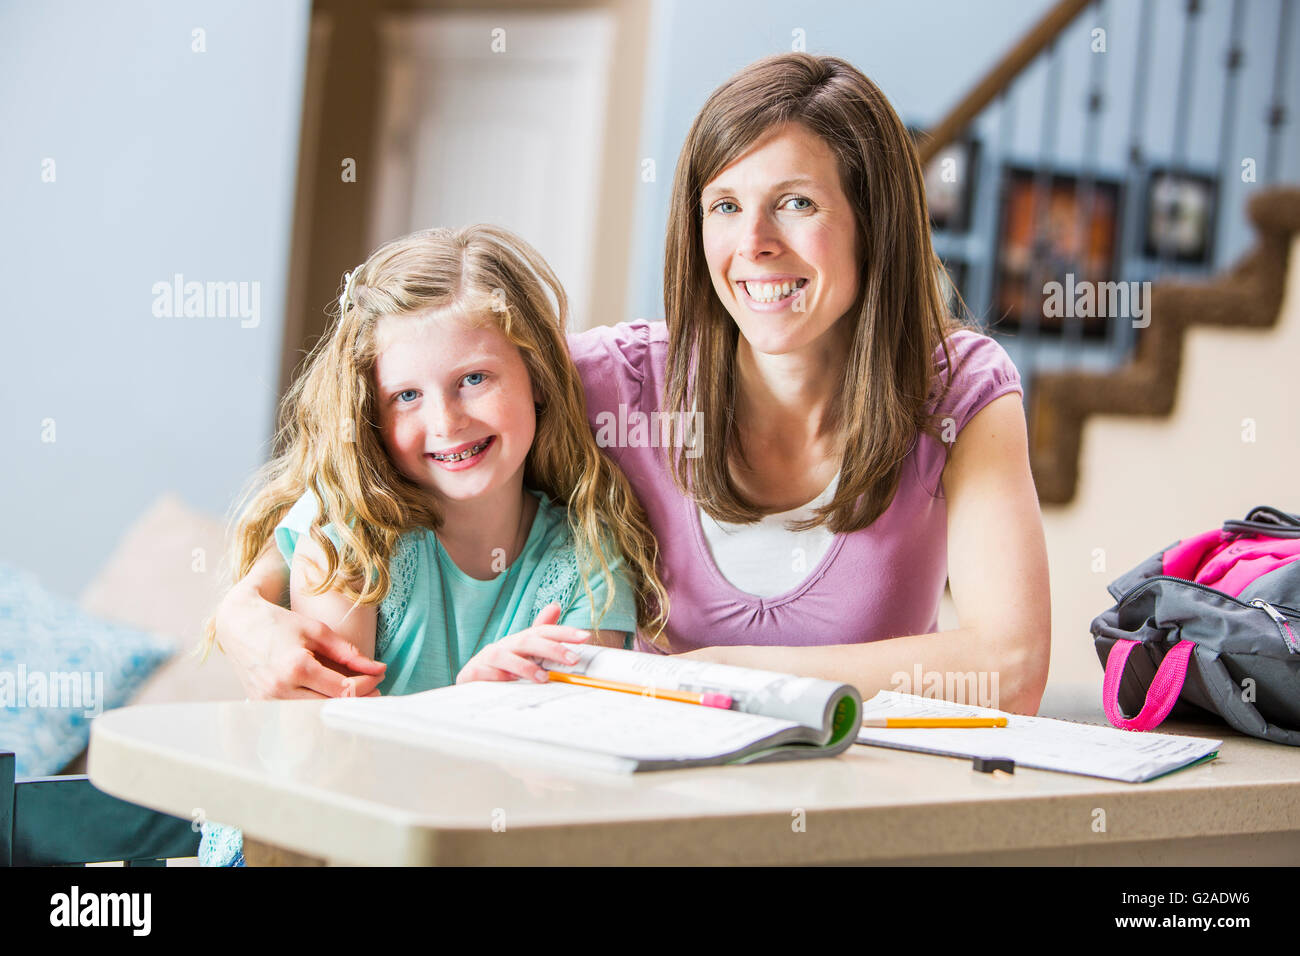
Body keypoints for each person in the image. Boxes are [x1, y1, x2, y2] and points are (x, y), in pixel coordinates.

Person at [211, 52, 1049, 719]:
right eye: (724, 206)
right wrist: (244, 613)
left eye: (794, 203)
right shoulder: (612, 382)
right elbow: (361, 467)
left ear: (877, 222)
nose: (753, 242)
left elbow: (1008, 669)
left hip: (860, 810)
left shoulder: (959, 393)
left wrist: (724, 673)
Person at [195, 224, 667, 864]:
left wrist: (499, 742)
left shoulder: (587, 555)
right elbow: (322, 771)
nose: (446, 421)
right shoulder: (350, 534)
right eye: (407, 396)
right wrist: (466, 718)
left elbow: (568, 792)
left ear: (536, 376)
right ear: (371, 412)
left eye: (474, 378)